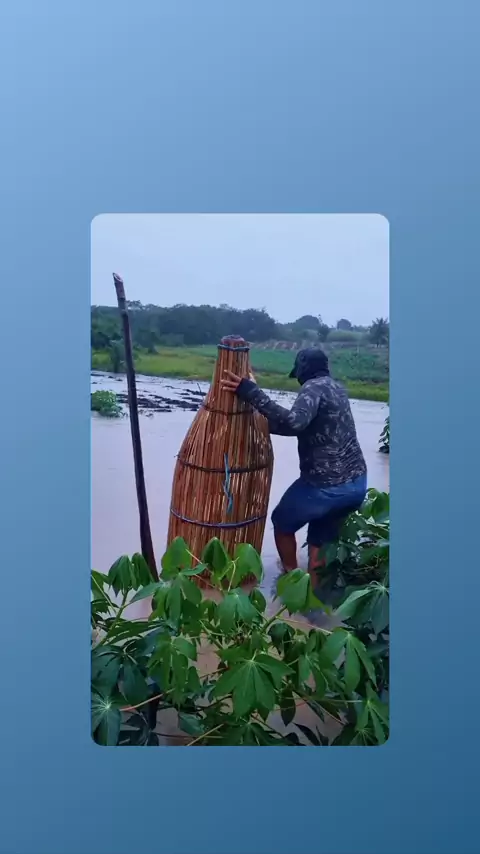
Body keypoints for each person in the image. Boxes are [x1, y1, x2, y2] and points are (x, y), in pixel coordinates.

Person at [221, 347, 367, 580]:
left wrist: (251, 392)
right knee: (320, 538)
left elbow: (295, 422)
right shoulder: (337, 388)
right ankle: (314, 595)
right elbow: (302, 427)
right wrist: (261, 425)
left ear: (303, 370)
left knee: (281, 522)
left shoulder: (312, 387)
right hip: (355, 485)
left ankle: (291, 576)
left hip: (324, 486)